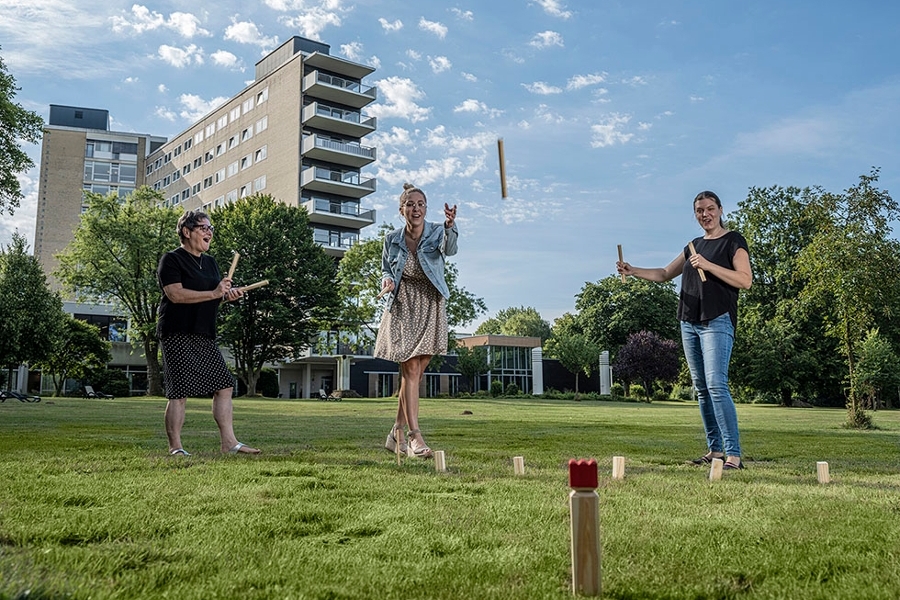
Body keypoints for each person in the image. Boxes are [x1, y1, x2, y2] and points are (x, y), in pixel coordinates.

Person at [616, 191, 752, 470]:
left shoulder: (733, 240)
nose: (706, 214)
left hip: (717, 319)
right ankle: (715, 451)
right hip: (689, 321)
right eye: (700, 210)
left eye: (710, 209)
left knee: (716, 385)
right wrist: (633, 270)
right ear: (695, 214)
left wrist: (708, 265)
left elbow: (745, 280)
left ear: (720, 210)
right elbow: (665, 274)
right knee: (702, 389)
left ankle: (734, 456)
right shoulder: (693, 246)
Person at [157, 210, 260, 456]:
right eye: (203, 227)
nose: (209, 232)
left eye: (210, 228)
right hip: (176, 331)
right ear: (186, 231)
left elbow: (213, 298)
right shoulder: (171, 260)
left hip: (204, 333)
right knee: (179, 391)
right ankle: (176, 448)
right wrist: (215, 293)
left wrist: (227, 297)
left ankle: (229, 443)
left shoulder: (211, 262)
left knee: (224, 385)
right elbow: (176, 295)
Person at [375, 183, 458, 459]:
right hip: (402, 305)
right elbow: (387, 269)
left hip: (430, 302)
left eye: (421, 204)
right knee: (410, 371)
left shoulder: (436, 231)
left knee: (415, 374)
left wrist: (449, 225)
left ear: (426, 208)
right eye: (410, 204)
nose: (416, 208)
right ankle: (414, 437)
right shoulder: (391, 239)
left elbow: (450, 249)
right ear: (402, 210)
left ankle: (395, 432)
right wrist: (386, 280)